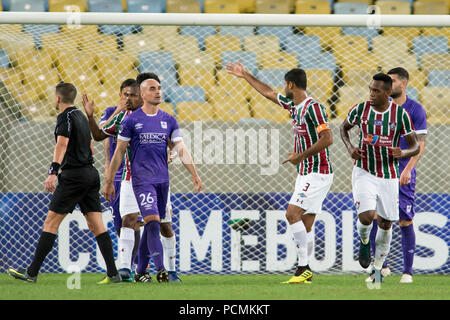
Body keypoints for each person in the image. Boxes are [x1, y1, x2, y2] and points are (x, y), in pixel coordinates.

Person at [226, 62, 333, 284]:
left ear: (290, 84)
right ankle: (307, 271)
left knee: (291, 214)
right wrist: (246, 74)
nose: (283, 88)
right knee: (306, 223)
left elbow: (328, 139)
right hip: (306, 172)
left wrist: (300, 155)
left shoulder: (313, 107)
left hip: (317, 171)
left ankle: (303, 268)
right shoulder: (295, 106)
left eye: (285, 85)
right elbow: (268, 93)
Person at [8, 82, 120, 284]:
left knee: (51, 222)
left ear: (58, 98)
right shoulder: (82, 118)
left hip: (73, 177)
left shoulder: (64, 117)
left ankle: (32, 273)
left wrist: (53, 171)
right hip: (90, 174)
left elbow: (62, 143)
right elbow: (91, 149)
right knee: (97, 225)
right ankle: (113, 273)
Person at [103, 74, 202, 283]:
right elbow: (119, 151)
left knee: (163, 225)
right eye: (153, 89)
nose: (158, 92)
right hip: (134, 179)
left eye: (159, 88)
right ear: (143, 93)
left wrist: (194, 174)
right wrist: (110, 180)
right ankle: (129, 268)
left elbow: (180, 148)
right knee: (136, 220)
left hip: (161, 181)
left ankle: (167, 270)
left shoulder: (168, 119)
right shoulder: (131, 120)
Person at [340, 73, 420, 284]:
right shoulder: (361, 109)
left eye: (376, 91)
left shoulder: (400, 115)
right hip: (364, 171)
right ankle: (365, 241)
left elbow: (415, 146)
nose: (371, 94)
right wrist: (350, 148)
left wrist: (402, 153)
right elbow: (343, 128)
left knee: (386, 224)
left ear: (387, 92)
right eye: (370, 89)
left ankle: (377, 272)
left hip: (389, 176)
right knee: (367, 216)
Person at [367, 67, 427, 283]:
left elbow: (420, 145)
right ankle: (379, 269)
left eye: (391, 81)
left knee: (404, 220)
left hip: (402, 170)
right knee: (375, 216)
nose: (387, 85)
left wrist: (409, 169)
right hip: (380, 169)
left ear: (403, 84)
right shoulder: (381, 109)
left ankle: (408, 272)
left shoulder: (415, 109)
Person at [82, 79, 142, 282]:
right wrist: (108, 171)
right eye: (125, 94)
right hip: (117, 172)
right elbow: (101, 134)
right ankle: (128, 264)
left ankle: (134, 266)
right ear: (120, 95)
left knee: (136, 221)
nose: (128, 98)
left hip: (138, 173)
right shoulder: (111, 112)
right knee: (119, 221)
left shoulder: (145, 114)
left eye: (132, 94)